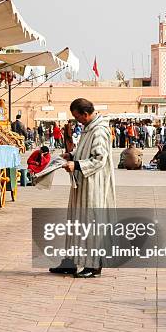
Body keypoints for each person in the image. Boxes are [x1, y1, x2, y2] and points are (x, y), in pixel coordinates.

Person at [49, 98, 116, 278]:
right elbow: (84, 151)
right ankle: (71, 262)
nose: (77, 121)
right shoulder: (89, 128)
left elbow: (98, 159)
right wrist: (70, 155)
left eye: (78, 117)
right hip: (82, 185)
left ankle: (94, 266)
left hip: (93, 185)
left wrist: (76, 165)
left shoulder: (99, 131)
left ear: (85, 114)